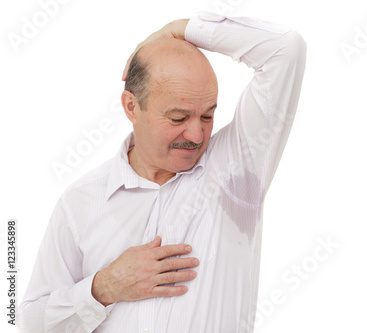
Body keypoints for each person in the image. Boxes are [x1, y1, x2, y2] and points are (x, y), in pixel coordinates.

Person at [19, 11, 306, 332]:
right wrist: (103, 288)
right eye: (178, 118)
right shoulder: (80, 200)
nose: (197, 135)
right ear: (131, 107)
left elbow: (286, 48)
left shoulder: (238, 167)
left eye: (208, 116)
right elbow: (30, 321)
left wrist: (180, 30)